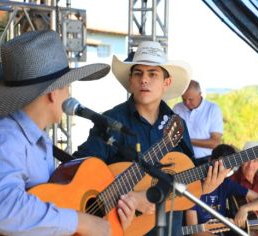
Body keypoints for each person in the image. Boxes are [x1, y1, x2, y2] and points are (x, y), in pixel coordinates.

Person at [0, 30, 136, 235]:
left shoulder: (41, 142)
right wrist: (81, 222)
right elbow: (0, 210)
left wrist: (112, 223)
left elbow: (49, 212)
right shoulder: (6, 139)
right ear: (54, 94)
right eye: (67, 88)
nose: (69, 94)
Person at [73, 41, 230, 236]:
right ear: (131, 81)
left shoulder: (177, 124)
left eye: (152, 74)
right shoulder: (111, 121)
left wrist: (203, 187)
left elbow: (185, 171)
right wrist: (127, 198)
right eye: (138, 73)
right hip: (121, 229)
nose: (144, 80)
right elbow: (76, 170)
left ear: (167, 82)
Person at [185, 144, 258, 234]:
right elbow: (193, 232)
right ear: (210, 161)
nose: (222, 170)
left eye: (227, 167)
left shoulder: (227, 184)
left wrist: (244, 209)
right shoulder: (193, 187)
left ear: (230, 170)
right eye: (219, 164)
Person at [173, 80, 223, 160]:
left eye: (191, 99)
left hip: (205, 160)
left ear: (200, 94)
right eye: (184, 99)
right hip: (181, 160)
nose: (187, 103)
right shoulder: (177, 108)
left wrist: (186, 140)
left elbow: (215, 143)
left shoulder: (213, 109)